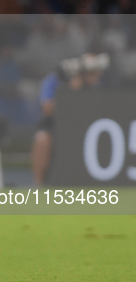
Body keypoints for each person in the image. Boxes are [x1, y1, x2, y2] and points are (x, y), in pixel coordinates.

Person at [31, 53, 108, 185]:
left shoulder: (99, 85)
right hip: (56, 128)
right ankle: (38, 185)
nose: (93, 74)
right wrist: (71, 91)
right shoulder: (54, 80)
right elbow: (47, 109)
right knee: (42, 139)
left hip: (87, 130)